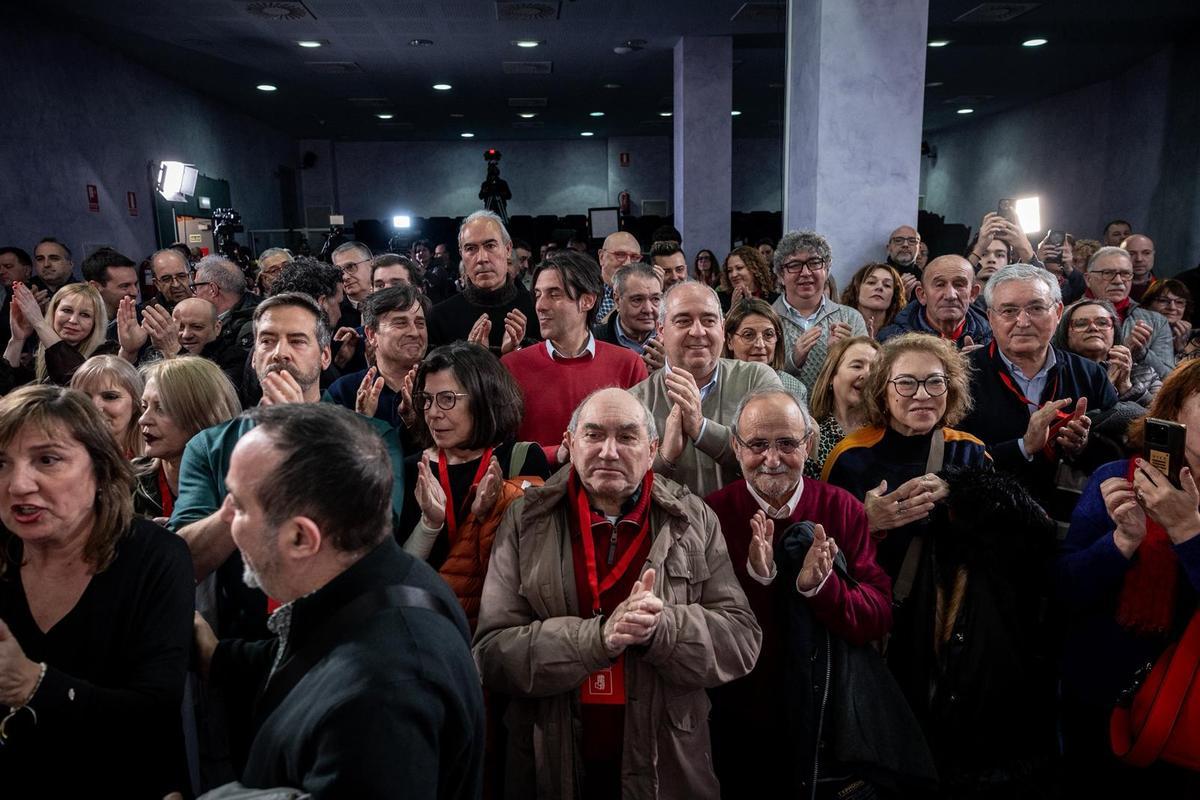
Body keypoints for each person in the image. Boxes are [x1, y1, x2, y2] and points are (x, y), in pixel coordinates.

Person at [473, 387, 762, 800]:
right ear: (571, 444)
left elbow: (741, 641)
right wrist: (599, 639)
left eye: (627, 437)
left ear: (653, 449)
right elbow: (492, 653)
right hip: (550, 761)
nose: (608, 451)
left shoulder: (692, 517)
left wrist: (660, 628)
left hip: (667, 764)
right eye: (593, 435)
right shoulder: (526, 518)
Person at [193, 403, 485, 798]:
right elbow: (315, 654)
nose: (226, 517)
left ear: (301, 538)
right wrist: (219, 657)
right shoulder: (388, 578)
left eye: (239, 506)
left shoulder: (384, 695)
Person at [705, 389, 914, 798]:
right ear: (735, 446)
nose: (772, 459)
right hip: (737, 712)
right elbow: (702, 630)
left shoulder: (842, 509)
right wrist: (755, 581)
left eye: (787, 444)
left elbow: (878, 614)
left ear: (810, 444)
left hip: (826, 716)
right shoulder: (710, 513)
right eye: (757, 445)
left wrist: (821, 588)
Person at [170, 293, 409, 641]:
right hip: (241, 641)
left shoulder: (372, 435)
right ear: (253, 359)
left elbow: (380, 533)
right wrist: (241, 502)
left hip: (344, 633)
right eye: (267, 340)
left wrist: (301, 433)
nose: (280, 352)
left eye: (297, 340)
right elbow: (185, 562)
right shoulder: (210, 445)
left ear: (325, 356)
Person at [0, 385, 193, 796]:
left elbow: (153, 714)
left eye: (47, 460)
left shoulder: (155, 558)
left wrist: (32, 684)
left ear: (101, 470)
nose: (17, 485)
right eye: (0, 463)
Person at [1058, 362, 1200, 796]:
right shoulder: (1116, 478)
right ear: (1174, 412)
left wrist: (1186, 532)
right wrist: (1120, 542)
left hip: (1188, 712)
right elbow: (1066, 591)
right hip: (1104, 696)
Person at [401, 342, 549, 628]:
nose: (432, 413)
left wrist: (490, 516)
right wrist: (430, 525)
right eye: (427, 400)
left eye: (447, 399)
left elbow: (537, 557)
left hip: (502, 626)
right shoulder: (412, 468)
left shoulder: (521, 459)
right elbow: (401, 576)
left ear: (483, 399)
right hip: (428, 625)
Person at [822, 333, 989, 572]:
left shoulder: (970, 450)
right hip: (876, 598)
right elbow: (825, 548)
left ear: (949, 389)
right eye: (906, 383)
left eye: (935, 381)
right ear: (882, 391)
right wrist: (865, 522)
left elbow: (1004, 535)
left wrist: (960, 496)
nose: (922, 395)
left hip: (953, 603)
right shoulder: (850, 455)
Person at [960, 264, 1115, 518]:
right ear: (990, 318)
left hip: (1071, 521)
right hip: (987, 523)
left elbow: (1115, 455)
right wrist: (1023, 447)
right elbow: (950, 461)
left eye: (1036, 308)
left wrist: (1083, 446)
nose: (1023, 321)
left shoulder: (1091, 374)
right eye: (1009, 310)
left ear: (1058, 312)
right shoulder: (961, 375)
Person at [632, 282, 782, 497]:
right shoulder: (635, 402)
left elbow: (777, 458)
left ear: (722, 329)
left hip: (748, 525)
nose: (698, 331)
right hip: (668, 529)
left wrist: (702, 430)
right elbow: (627, 489)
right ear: (661, 330)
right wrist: (665, 457)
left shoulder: (757, 380)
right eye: (683, 321)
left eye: (708, 320)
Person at [503, 251, 647, 461]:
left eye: (554, 294)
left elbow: (641, 441)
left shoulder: (628, 364)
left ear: (587, 301)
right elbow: (500, 449)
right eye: (538, 294)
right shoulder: (512, 366)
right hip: (536, 489)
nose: (540, 306)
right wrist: (556, 454)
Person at [134, 356, 241, 522]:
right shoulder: (130, 480)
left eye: (161, 408)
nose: (143, 420)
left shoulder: (240, 484)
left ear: (201, 415)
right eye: (144, 407)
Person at [324, 284, 430, 443]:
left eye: (420, 323)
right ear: (371, 335)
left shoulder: (444, 387)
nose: (414, 332)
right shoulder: (344, 392)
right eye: (400, 323)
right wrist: (363, 422)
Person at [770, 230, 868, 392]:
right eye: (794, 265)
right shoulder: (768, 318)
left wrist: (842, 354)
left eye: (814, 263)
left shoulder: (850, 318)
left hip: (837, 415)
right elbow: (757, 377)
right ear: (781, 275)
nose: (806, 273)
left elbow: (867, 375)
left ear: (827, 270)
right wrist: (792, 362)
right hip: (784, 414)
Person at [427, 210, 540, 351]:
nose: (482, 258)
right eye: (471, 248)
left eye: (490, 246)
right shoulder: (439, 318)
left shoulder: (538, 309)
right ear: (461, 254)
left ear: (508, 249)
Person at [1084, 246, 1174, 379]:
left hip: (1142, 398)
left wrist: (1141, 352)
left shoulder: (1156, 322)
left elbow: (1169, 378)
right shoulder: (1065, 318)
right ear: (1088, 279)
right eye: (1108, 273)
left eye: (1125, 274)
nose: (1118, 281)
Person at [1054, 299, 1160, 411]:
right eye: (1081, 324)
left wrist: (1128, 389)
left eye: (1102, 323)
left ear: (1115, 332)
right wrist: (1105, 388)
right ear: (1065, 335)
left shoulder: (1147, 374)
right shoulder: (1054, 375)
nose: (1093, 328)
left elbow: (1165, 420)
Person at [4, 282, 111, 386]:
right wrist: (17, 339)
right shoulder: (41, 354)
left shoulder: (106, 354)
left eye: (85, 315)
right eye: (67, 310)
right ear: (53, 312)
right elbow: (9, 387)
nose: (73, 320)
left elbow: (75, 382)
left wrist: (39, 323)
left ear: (95, 322)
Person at [804, 336, 881, 479]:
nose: (867, 374)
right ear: (831, 376)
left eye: (875, 369)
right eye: (857, 366)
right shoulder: (812, 435)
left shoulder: (887, 432)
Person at [877, 255, 991, 348]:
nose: (950, 295)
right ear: (922, 295)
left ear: (973, 294)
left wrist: (983, 364)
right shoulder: (892, 340)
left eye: (959, 285)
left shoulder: (993, 339)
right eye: (940, 285)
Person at [723, 298, 808, 404]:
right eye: (748, 335)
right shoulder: (716, 383)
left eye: (768, 335)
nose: (760, 344)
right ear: (730, 341)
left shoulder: (796, 389)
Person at [592, 262, 667, 372]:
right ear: (617, 300)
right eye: (637, 300)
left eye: (655, 299)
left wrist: (668, 370)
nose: (648, 309)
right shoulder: (593, 340)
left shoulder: (672, 342)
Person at [70, 354, 144, 458]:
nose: (95, 407)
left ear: (136, 404)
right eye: (84, 396)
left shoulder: (159, 464)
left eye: (110, 397)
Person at [839, 262, 906, 339]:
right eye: (871, 282)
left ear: (894, 295)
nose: (879, 287)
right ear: (856, 289)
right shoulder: (840, 324)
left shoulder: (902, 334)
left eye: (887, 285)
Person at [81, 247, 140, 323]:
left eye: (135, 284)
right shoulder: (80, 326)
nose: (134, 292)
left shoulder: (145, 319)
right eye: (125, 286)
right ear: (94, 287)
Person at [596, 231, 642, 322]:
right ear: (602, 257)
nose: (628, 263)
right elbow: (592, 334)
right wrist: (621, 303)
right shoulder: (586, 292)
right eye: (620, 255)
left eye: (634, 257)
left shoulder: (647, 294)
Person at [1141, 278, 1193, 358]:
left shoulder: (1194, 338)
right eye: (1163, 301)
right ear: (1148, 305)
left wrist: (1181, 349)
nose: (1172, 307)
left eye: (1179, 302)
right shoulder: (1137, 331)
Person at [717, 245, 778, 310]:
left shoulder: (774, 300)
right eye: (729, 270)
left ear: (754, 269)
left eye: (739, 268)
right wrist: (733, 309)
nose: (733, 275)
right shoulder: (719, 299)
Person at [330, 241, 373, 327]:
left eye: (350, 267)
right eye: (339, 271)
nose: (345, 277)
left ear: (371, 265)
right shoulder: (333, 313)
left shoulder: (391, 303)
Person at [1037, 231, 1087, 304]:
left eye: (1064, 253)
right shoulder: (1032, 273)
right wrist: (1038, 263)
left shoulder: (1073, 284)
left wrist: (1069, 269)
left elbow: (1081, 290)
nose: (1059, 256)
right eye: (1055, 251)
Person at [1122, 234, 1156, 301]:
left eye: (1146, 253)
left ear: (1153, 255)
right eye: (1131, 254)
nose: (1139, 259)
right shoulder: (1110, 289)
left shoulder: (1164, 289)